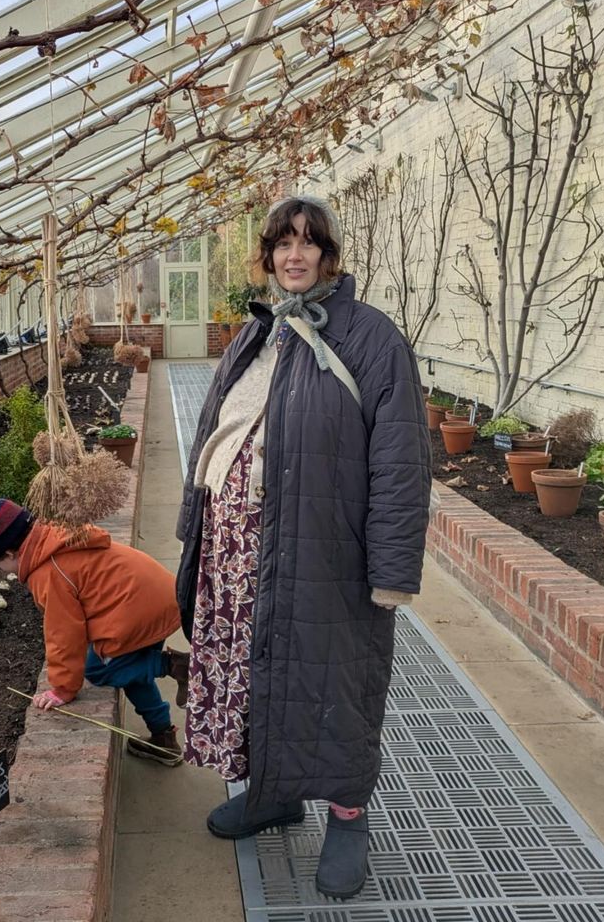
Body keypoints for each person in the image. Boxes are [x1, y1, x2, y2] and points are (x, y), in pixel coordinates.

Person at [175, 196, 431, 898]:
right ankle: (272, 794)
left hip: (322, 553)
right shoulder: (258, 333)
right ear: (266, 255)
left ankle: (347, 819)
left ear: (328, 255)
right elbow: (213, 434)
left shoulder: (369, 337)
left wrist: (391, 571)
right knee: (255, 677)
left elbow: (401, 460)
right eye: (282, 243)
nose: (294, 255)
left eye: (308, 243)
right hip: (236, 554)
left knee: (332, 686)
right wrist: (193, 528)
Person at [0, 498, 190, 766]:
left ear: (10, 553)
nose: (2, 572)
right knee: (132, 670)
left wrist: (62, 689)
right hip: (156, 598)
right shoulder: (56, 535)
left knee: (99, 669)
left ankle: (174, 665)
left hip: (137, 611)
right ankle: (164, 738)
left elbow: (63, 633)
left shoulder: (48, 571)